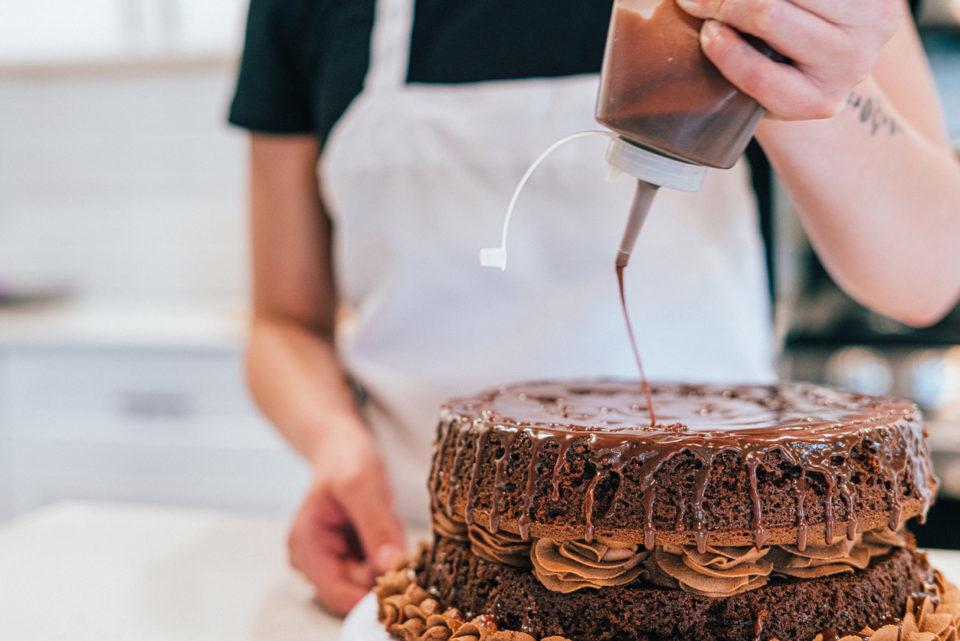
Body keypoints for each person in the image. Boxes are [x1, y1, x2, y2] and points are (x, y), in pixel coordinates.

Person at [229, 0, 960, 616]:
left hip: (736, 574)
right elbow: (282, 321)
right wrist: (335, 443)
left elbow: (929, 270)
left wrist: (802, 67)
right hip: (434, 558)